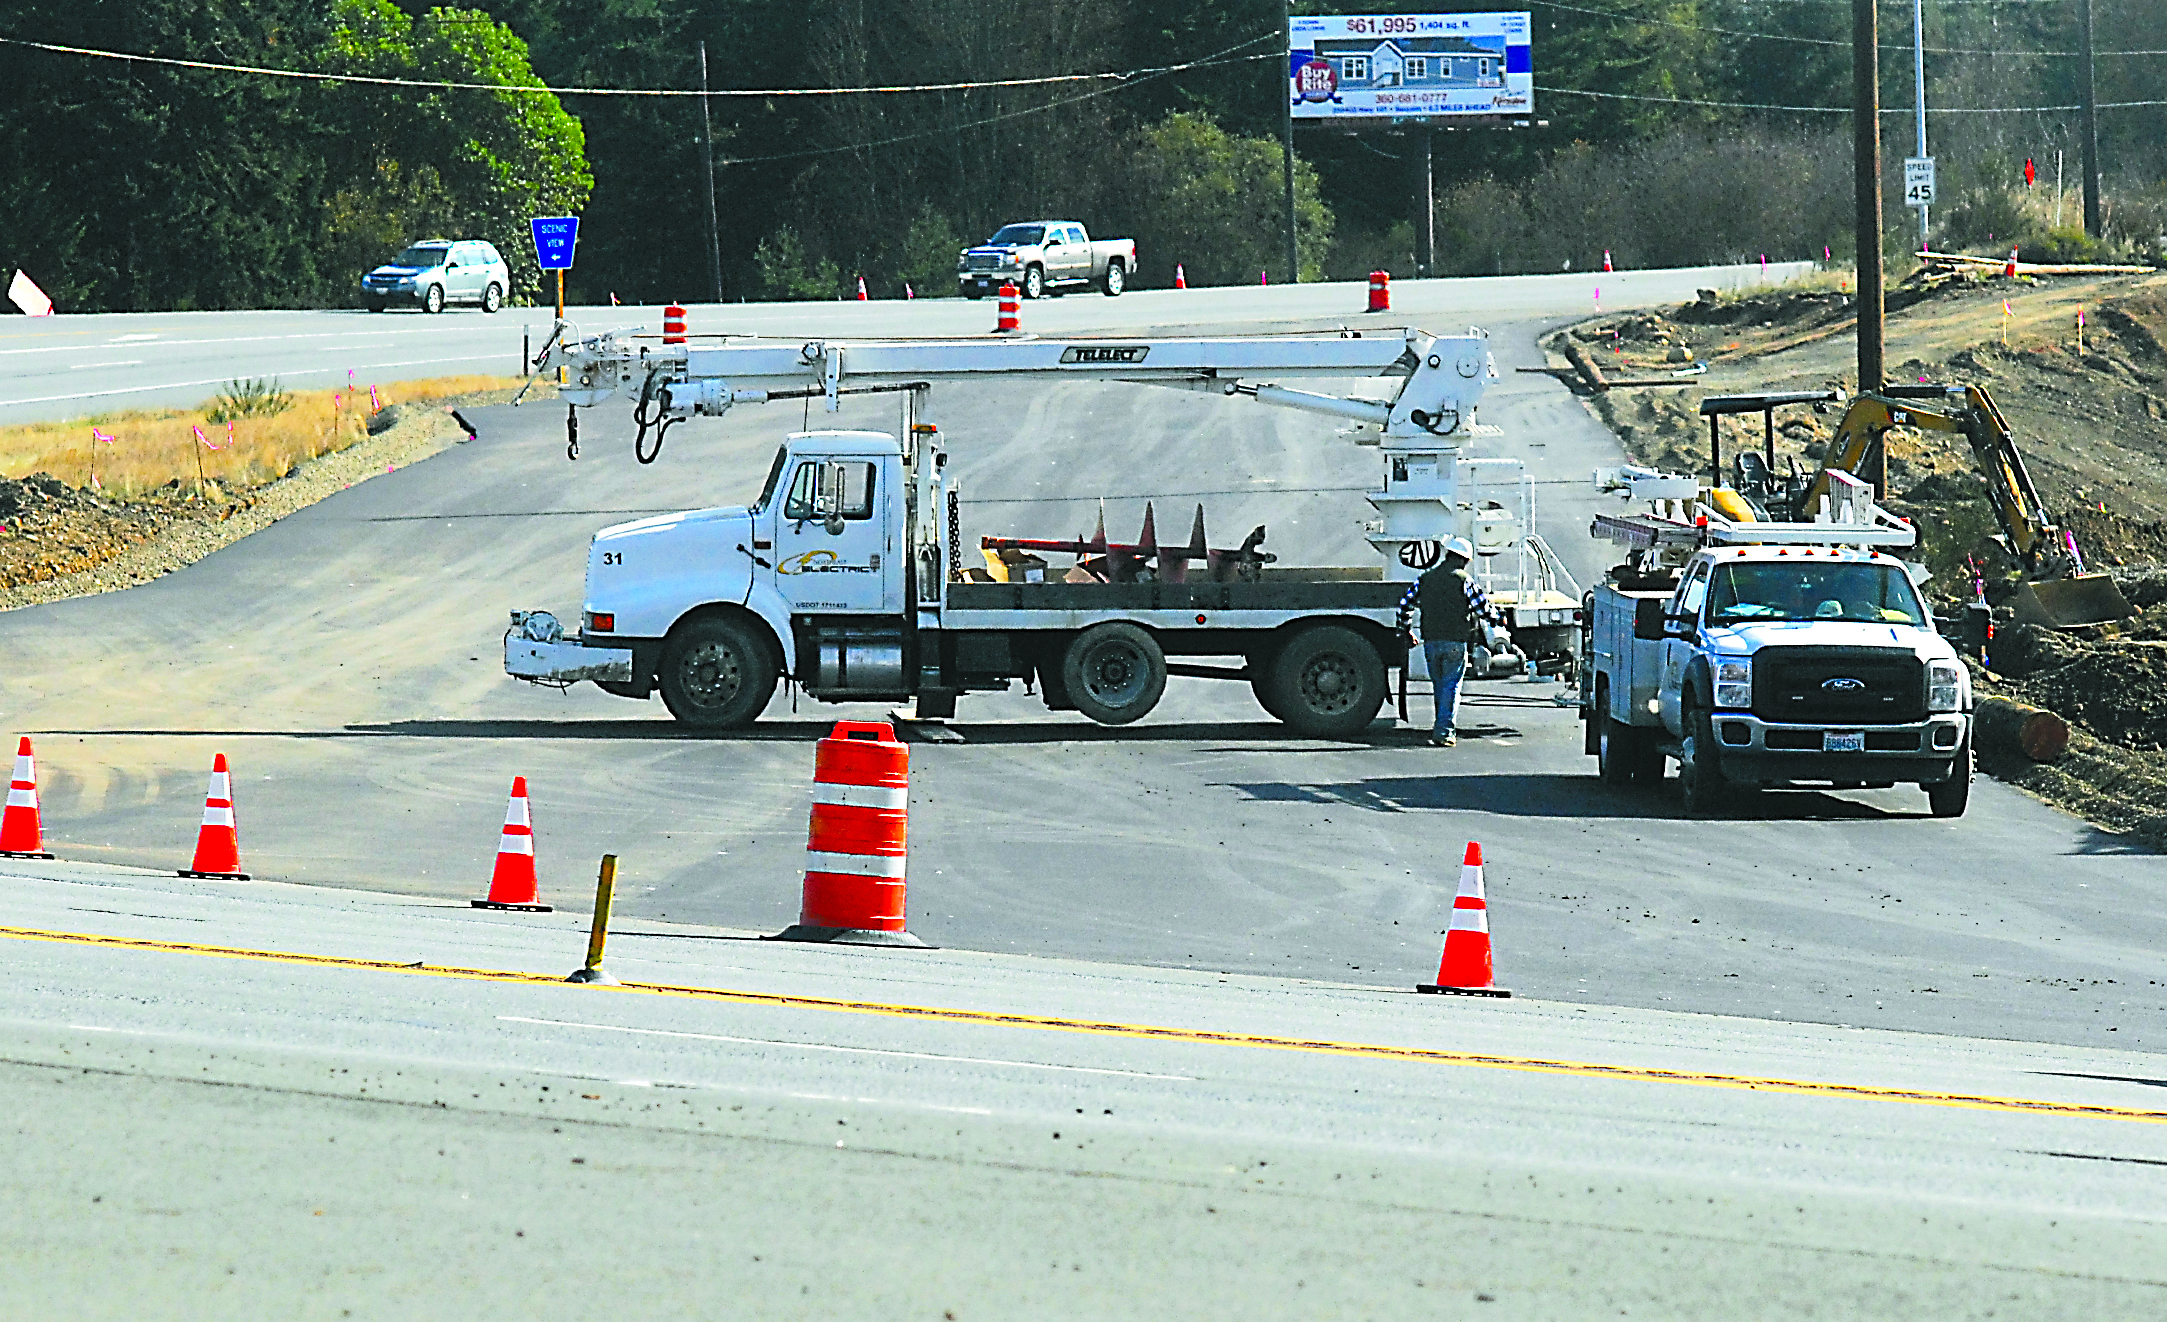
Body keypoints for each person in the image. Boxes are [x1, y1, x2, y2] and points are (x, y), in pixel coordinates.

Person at [1397, 537, 1498, 747]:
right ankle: (1444, 731)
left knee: (1439, 684)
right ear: (1465, 560)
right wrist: (1497, 618)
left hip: (1431, 640)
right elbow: (1483, 609)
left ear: (1447, 555)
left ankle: (1440, 725)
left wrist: (1406, 630)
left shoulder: (1425, 578)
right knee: (1451, 685)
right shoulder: (1464, 580)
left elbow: (1405, 605)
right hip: (1456, 641)